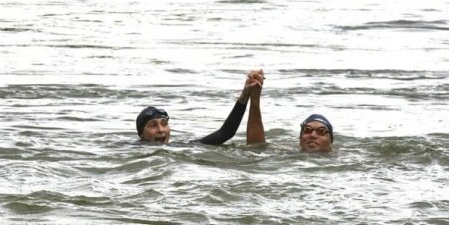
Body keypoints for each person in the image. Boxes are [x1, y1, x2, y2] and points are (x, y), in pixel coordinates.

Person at [136, 69, 264, 145]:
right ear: (141, 135)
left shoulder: (183, 147)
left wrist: (245, 95)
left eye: (164, 124)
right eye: (153, 125)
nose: (160, 130)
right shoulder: (131, 149)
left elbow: (225, 133)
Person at [241, 72, 333, 153]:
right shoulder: (288, 152)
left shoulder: (341, 157)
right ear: (300, 140)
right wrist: (255, 97)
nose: (313, 135)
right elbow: (256, 147)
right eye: (307, 130)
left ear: (330, 141)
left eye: (321, 131)